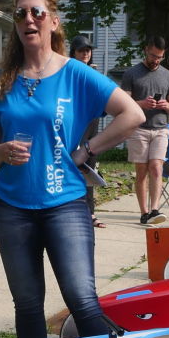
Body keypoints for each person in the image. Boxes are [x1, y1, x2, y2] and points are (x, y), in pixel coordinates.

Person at [0, 0, 144, 338]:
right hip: (11, 206)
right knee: (27, 304)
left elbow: (132, 114)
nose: (28, 20)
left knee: (82, 301)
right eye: (20, 14)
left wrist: (88, 148)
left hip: (65, 204)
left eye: (36, 12)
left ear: (53, 22)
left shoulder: (75, 73)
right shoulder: (1, 80)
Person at [120, 37, 169, 224]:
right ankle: (144, 212)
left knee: (156, 167)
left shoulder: (168, 75)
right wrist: (142, 104)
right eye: (153, 56)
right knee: (142, 171)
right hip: (139, 129)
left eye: (160, 57)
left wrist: (165, 105)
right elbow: (124, 104)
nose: (156, 60)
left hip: (161, 128)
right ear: (146, 50)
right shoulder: (131, 73)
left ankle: (154, 209)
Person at [69, 34, 105, 228]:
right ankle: (73, 210)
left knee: (90, 168)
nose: (85, 53)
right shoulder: (68, 71)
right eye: (82, 50)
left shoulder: (94, 73)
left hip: (93, 123)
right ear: (73, 52)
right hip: (77, 123)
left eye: (88, 50)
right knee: (75, 165)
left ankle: (90, 213)